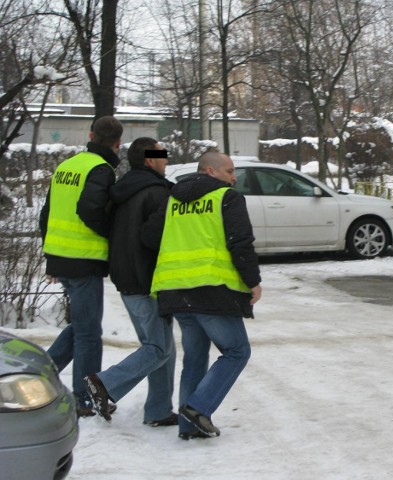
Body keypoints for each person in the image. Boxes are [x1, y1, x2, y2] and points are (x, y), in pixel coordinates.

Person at [142, 150, 262, 440]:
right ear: (210, 171)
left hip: (175, 291)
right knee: (237, 351)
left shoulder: (172, 200)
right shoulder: (227, 198)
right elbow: (240, 242)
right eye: (230, 171)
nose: (234, 177)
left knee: (195, 358)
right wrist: (253, 282)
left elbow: (148, 236)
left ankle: (189, 426)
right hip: (212, 291)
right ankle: (198, 408)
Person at [84, 138, 178, 426]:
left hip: (125, 277)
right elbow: (154, 238)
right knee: (158, 349)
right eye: (162, 155)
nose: (166, 159)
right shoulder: (157, 192)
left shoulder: (122, 190)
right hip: (147, 280)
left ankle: (159, 410)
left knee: (161, 347)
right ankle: (106, 384)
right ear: (149, 160)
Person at [39, 115, 123, 417]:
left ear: (90, 135)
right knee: (89, 333)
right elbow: (88, 209)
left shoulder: (67, 166)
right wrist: (109, 233)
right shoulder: (101, 170)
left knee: (82, 327)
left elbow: (46, 213)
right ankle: (84, 399)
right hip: (83, 260)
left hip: (62, 258)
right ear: (118, 143)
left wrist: (52, 256)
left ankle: (42, 373)